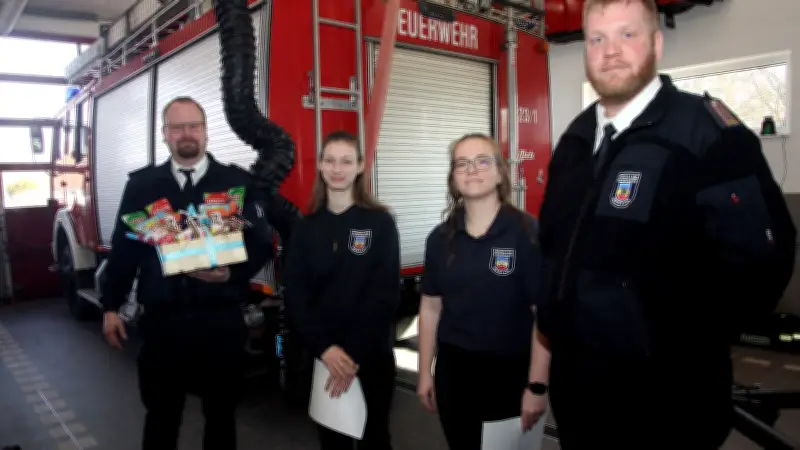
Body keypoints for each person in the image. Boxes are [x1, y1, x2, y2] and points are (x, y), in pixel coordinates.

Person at [536, 0, 797, 448]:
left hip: (668, 401)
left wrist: (682, 343)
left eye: (627, 35)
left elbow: (763, 259)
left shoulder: (707, 132)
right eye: (597, 39)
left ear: (656, 43)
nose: (610, 51)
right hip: (580, 392)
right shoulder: (576, 139)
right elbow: (553, 244)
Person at [100, 96, 273, 450]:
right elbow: (124, 251)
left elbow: (261, 243)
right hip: (163, 326)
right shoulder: (142, 186)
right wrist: (110, 306)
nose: (186, 134)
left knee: (221, 419)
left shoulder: (236, 184)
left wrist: (231, 275)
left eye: (193, 125)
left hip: (220, 323)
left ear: (206, 132)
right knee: (161, 420)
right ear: (165, 135)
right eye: (177, 127)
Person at [416, 133, 550, 449]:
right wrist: (425, 373)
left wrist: (537, 386)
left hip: (511, 373)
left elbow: (544, 315)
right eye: (462, 164)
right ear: (452, 177)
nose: (472, 170)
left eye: (482, 161)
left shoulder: (527, 234)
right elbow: (430, 308)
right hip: (455, 372)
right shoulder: (440, 238)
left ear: (501, 171)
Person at [282, 130, 401, 450]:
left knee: (375, 439)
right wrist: (327, 350)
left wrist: (351, 356)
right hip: (323, 357)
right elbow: (296, 295)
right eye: (330, 161)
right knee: (332, 442)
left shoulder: (380, 223)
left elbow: (385, 295)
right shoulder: (306, 228)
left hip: (371, 358)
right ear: (320, 166)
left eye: (346, 161)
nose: (338, 169)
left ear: (360, 166)